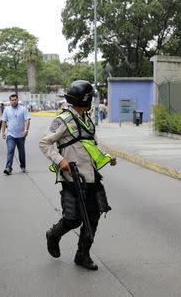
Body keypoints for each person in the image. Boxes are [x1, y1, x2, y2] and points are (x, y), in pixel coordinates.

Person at [39, 80, 117, 270]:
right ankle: (53, 235)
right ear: (84, 99)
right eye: (90, 97)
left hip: (91, 177)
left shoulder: (87, 119)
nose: (92, 100)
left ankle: (82, 255)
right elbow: (44, 143)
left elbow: (93, 146)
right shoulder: (63, 119)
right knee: (73, 219)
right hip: (72, 177)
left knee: (93, 216)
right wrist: (60, 160)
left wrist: (107, 157)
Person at [1, 94, 31, 174]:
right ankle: (8, 168)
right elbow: (4, 121)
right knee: (10, 150)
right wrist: (3, 132)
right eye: (12, 100)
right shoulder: (7, 110)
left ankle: (23, 166)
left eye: (15, 100)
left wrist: (26, 130)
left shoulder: (23, 109)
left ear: (18, 100)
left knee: (21, 152)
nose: (14, 101)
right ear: (10, 101)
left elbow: (27, 120)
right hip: (11, 135)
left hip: (21, 135)